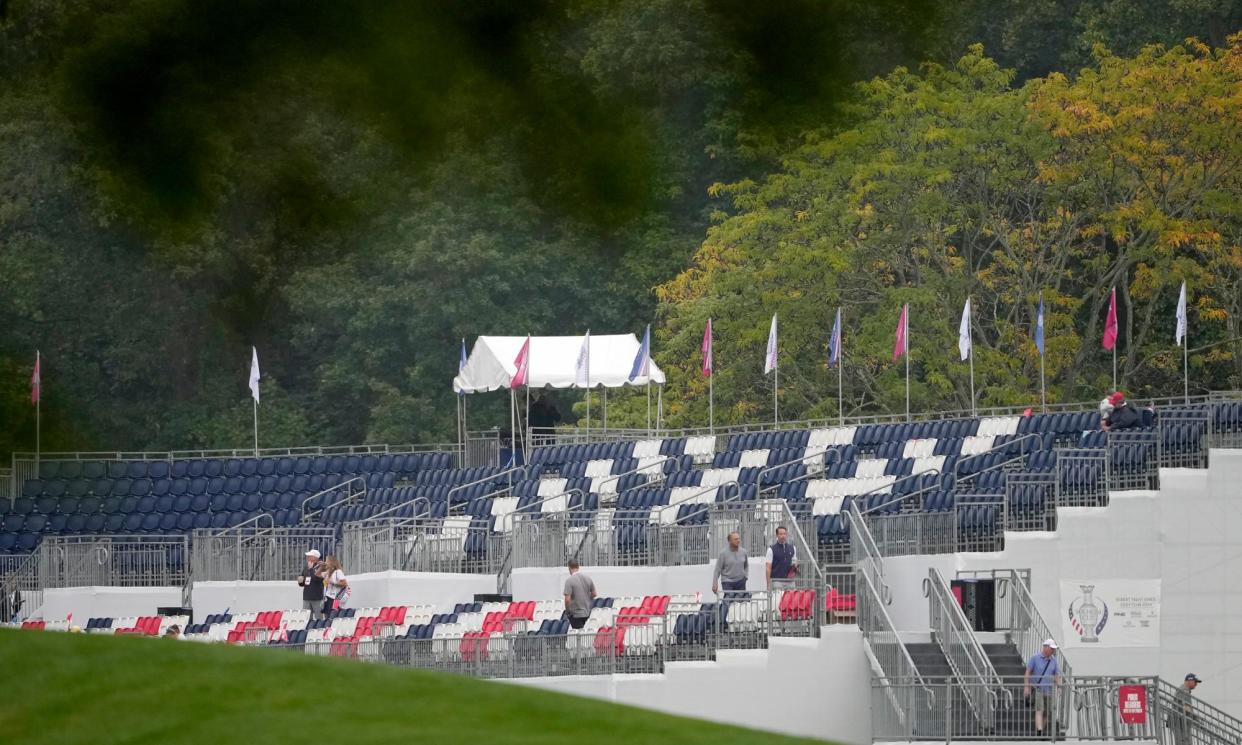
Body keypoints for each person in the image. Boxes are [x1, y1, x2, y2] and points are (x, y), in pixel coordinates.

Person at [1024, 639, 1061, 736]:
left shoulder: (1054, 661)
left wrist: (1059, 687)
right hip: (1038, 689)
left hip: (1049, 690)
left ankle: (1040, 731)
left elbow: (1057, 675)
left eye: (1054, 649)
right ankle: (1040, 730)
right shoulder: (1034, 658)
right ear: (1045, 647)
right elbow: (1028, 672)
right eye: (1052, 649)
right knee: (1039, 709)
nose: (1053, 651)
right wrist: (1027, 687)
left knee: (1047, 713)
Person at [712, 532, 749, 598]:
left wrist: (745, 576)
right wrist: (715, 583)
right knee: (729, 600)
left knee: (739, 602)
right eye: (735, 539)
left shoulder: (744, 552)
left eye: (739, 539)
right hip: (727, 581)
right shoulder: (723, 553)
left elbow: (746, 565)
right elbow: (717, 569)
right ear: (729, 541)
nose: (738, 541)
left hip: (740, 581)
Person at [563, 560, 597, 630]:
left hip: (576, 614)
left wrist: (568, 611)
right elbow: (594, 594)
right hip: (586, 613)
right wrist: (587, 599)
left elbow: (567, 600)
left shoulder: (569, 580)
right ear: (578, 567)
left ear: (569, 568)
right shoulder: (588, 578)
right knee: (585, 634)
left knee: (578, 635)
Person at [1170, 673, 1201, 745]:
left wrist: (1194, 717)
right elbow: (1185, 707)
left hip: (1182, 721)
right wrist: (1195, 717)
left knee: (1185, 741)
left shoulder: (1185, 690)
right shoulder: (1183, 691)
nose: (1196, 684)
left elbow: (1187, 707)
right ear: (1188, 680)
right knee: (1182, 742)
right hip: (1179, 721)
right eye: (1195, 681)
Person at [298, 549, 325, 621]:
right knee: (306, 618)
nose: (307, 557)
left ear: (315, 558)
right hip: (307, 597)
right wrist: (300, 582)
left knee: (319, 618)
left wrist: (311, 570)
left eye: (310, 556)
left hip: (317, 598)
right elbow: (303, 583)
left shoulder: (321, 567)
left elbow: (318, 579)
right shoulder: (306, 568)